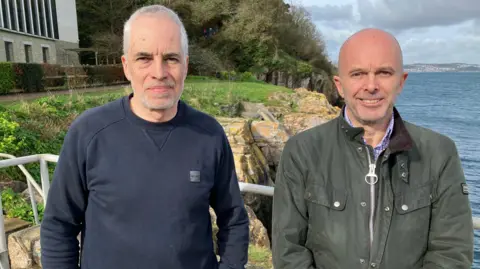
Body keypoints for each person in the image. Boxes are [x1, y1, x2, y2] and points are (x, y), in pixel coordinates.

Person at [40, 4, 249, 269]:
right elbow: (59, 226)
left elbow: (234, 219)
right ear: (126, 66)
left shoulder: (209, 134)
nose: (159, 72)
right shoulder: (88, 133)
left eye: (171, 58)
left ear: (185, 65)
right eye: (144, 58)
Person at [271, 28, 474, 269]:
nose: (371, 86)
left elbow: (451, 253)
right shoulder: (302, 151)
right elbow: (289, 251)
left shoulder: (439, 153)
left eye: (384, 73)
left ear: (401, 82)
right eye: (357, 74)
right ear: (339, 85)